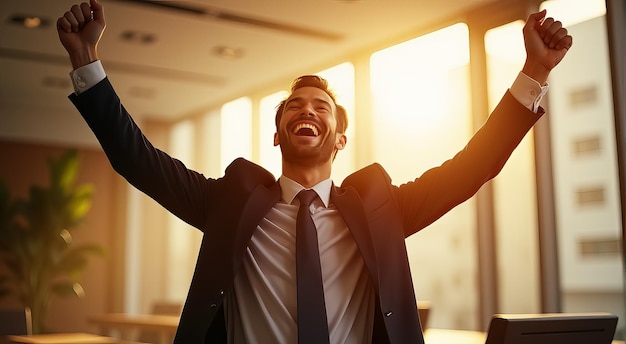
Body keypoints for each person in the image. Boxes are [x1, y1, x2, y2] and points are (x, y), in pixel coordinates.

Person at [57, 1, 572, 343]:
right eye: (294, 106)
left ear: (340, 139)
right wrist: (86, 60)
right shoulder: (230, 202)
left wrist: (535, 73)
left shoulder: (380, 209)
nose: (308, 110)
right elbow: (138, 159)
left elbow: (470, 168)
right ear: (278, 134)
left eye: (322, 107)